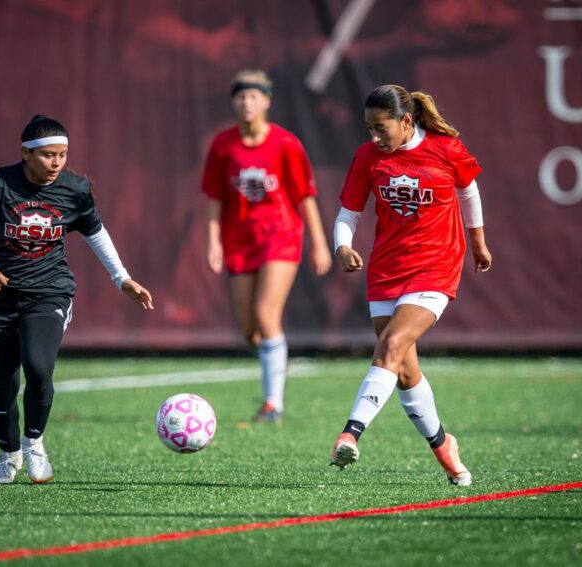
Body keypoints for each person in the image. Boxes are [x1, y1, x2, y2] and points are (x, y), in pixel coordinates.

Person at [0, 115, 154, 484]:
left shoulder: (75, 189)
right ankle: (7, 454)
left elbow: (96, 233)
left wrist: (121, 278)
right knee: (1, 388)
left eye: (62, 155)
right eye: (48, 155)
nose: (56, 163)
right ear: (26, 154)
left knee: (38, 366)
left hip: (49, 292)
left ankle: (34, 443)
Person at [329, 85, 492, 485]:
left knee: (393, 345)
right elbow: (348, 212)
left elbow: (467, 189)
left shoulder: (446, 149)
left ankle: (350, 432)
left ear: (406, 121)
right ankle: (444, 447)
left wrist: (478, 242)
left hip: (436, 265)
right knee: (402, 371)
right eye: (368, 128)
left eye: (380, 128)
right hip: (386, 268)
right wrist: (342, 247)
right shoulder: (367, 157)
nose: (373, 137)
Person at [201, 70, 333, 423]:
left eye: (254, 96)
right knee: (249, 330)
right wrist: (213, 241)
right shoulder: (222, 145)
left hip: (281, 236)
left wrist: (320, 243)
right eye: (241, 97)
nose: (247, 103)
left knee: (266, 314)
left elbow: (305, 195)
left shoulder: (286, 144)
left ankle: (272, 403)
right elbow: (214, 197)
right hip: (239, 241)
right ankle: (276, 363)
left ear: (267, 102)